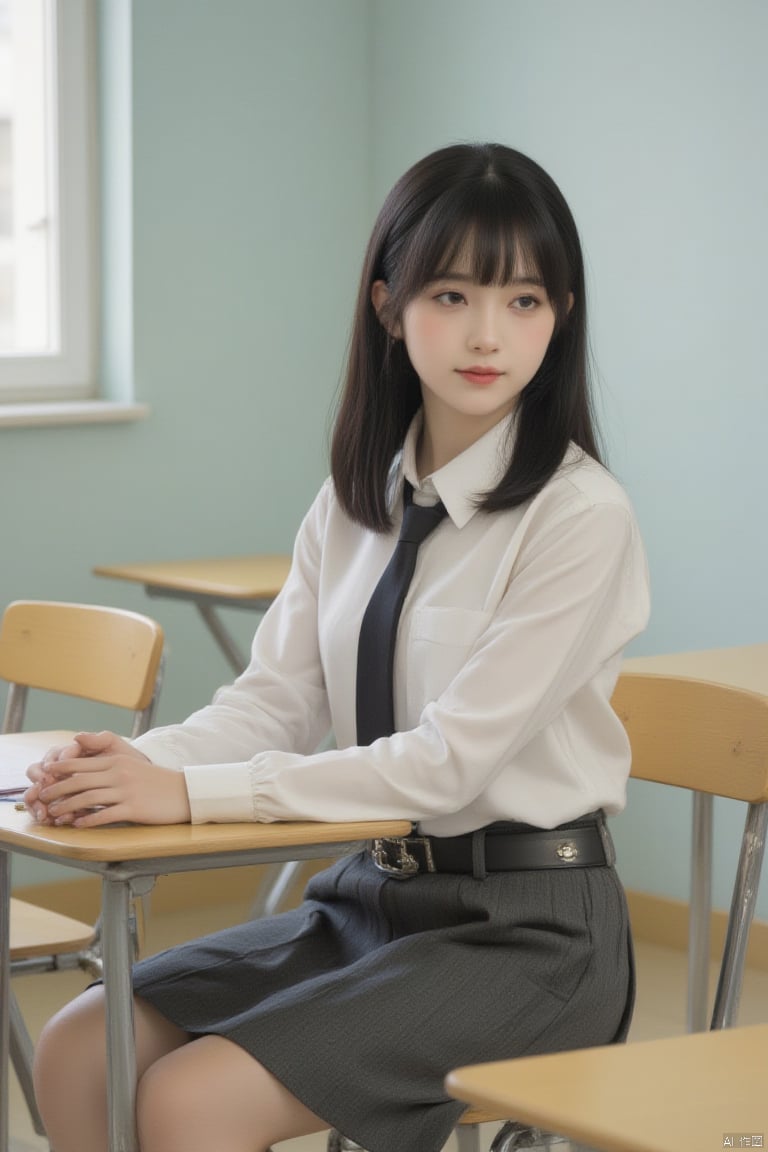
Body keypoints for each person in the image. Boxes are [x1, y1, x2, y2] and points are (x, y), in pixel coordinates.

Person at [25, 142, 650, 1152]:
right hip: (372, 899)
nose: (488, 333)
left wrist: (184, 797)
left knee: (191, 1102)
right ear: (387, 304)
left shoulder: (580, 517)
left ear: (561, 317)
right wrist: (135, 766)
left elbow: (448, 767)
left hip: (531, 932)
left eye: (525, 301)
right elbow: (274, 701)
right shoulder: (357, 502)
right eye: (452, 294)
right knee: (78, 1044)